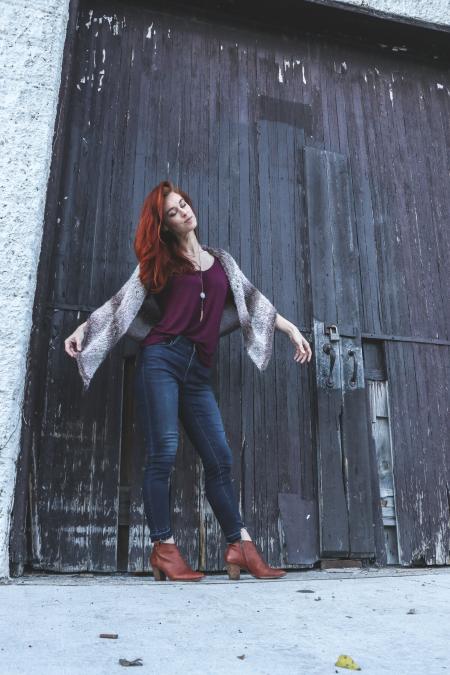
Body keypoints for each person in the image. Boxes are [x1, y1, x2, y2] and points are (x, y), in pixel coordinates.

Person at [65, 180, 312, 582]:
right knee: (163, 450)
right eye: (174, 211)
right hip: (162, 359)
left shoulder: (222, 262)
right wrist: (83, 331)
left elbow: (253, 300)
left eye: (183, 204)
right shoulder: (160, 262)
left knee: (220, 459)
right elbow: (121, 303)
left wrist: (290, 329)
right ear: (164, 226)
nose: (184, 212)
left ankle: (240, 545)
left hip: (198, 372)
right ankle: (163, 547)